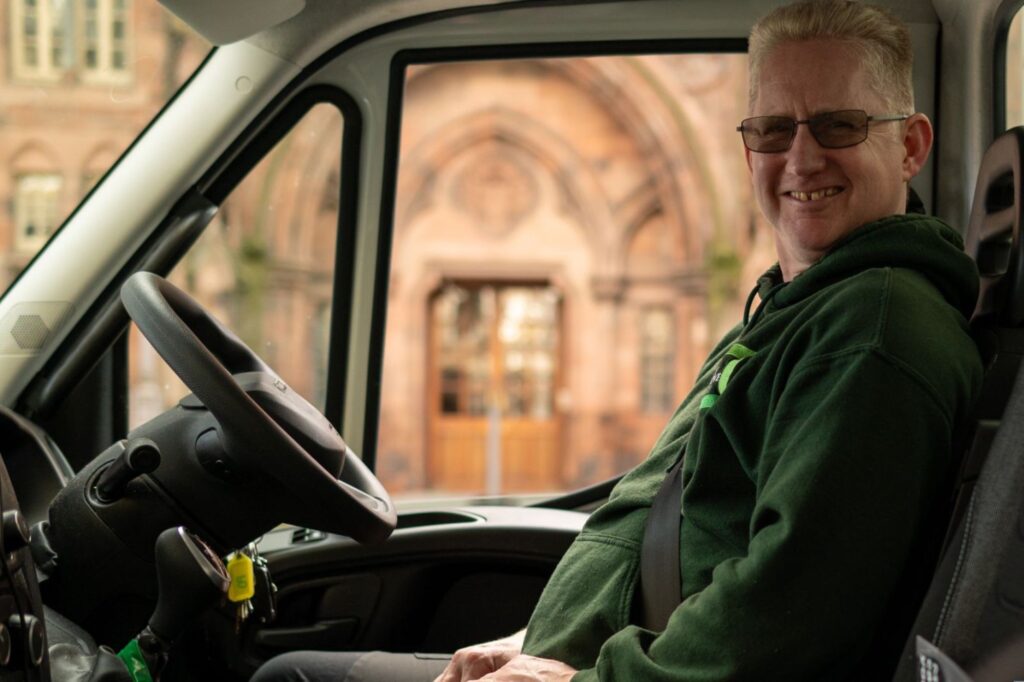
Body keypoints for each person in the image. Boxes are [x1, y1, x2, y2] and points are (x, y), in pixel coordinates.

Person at [253, 1, 982, 679]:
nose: (801, 158)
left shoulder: (874, 329)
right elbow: (669, 517)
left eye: (838, 125)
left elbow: (787, 619)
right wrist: (527, 642)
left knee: (288, 676)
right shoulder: (796, 309)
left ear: (911, 145)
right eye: (771, 130)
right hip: (597, 659)